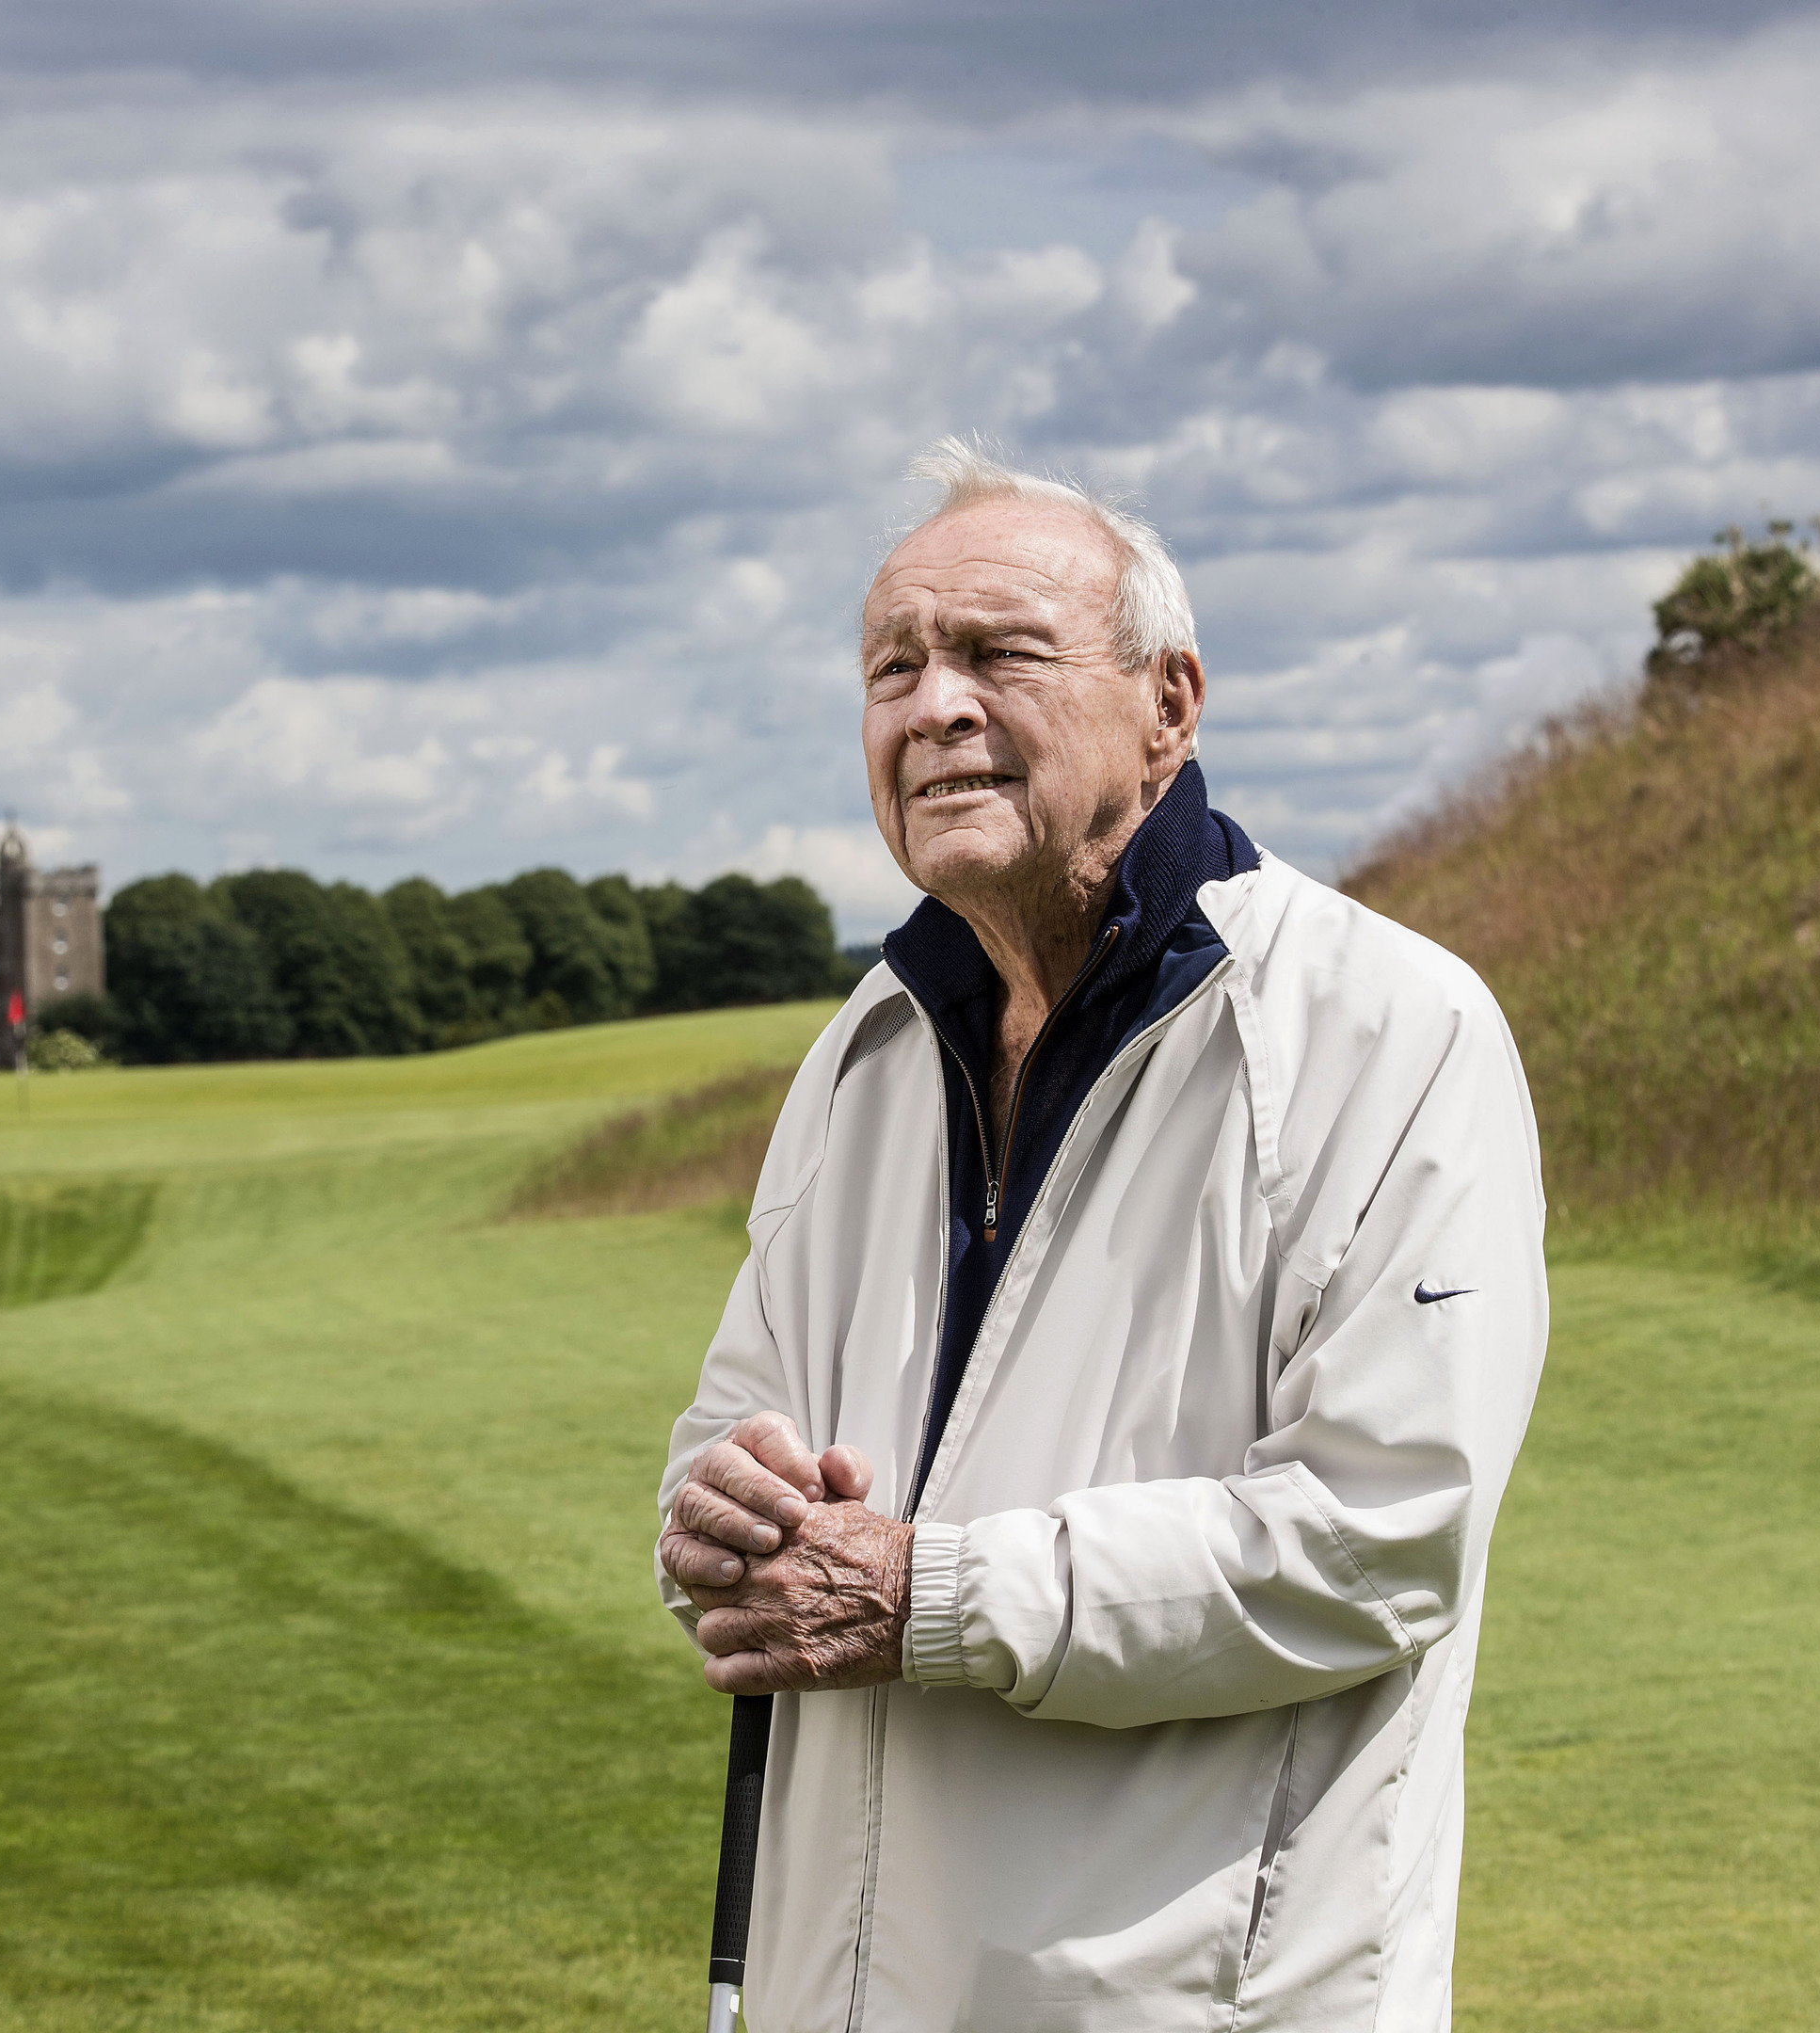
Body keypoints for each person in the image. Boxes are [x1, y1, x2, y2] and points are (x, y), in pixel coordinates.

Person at [656, 440, 1549, 2031]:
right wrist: (716, 1508)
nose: (934, 706)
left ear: (1170, 704)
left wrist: (931, 1594)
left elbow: (1382, 1533)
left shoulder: (1390, 1030)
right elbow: (743, 1426)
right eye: (893, 667)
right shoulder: (866, 1048)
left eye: (998, 654)